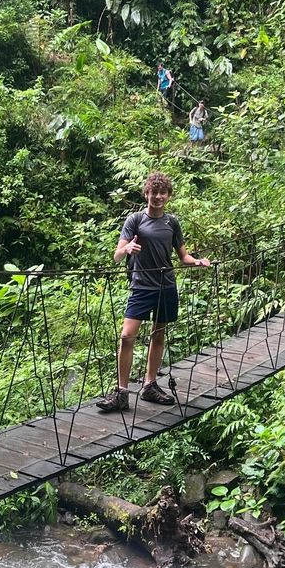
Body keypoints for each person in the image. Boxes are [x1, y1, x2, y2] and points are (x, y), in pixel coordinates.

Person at [97, 172, 211, 412]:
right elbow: (116, 256)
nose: (158, 197)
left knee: (158, 335)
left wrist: (197, 261)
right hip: (141, 286)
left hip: (166, 285)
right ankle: (122, 392)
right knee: (127, 337)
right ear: (146, 194)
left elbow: (183, 256)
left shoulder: (172, 223)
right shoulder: (135, 220)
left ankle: (149, 385)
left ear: (168, 196)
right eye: (153, 192)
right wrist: (127, 248)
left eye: (162, 193)